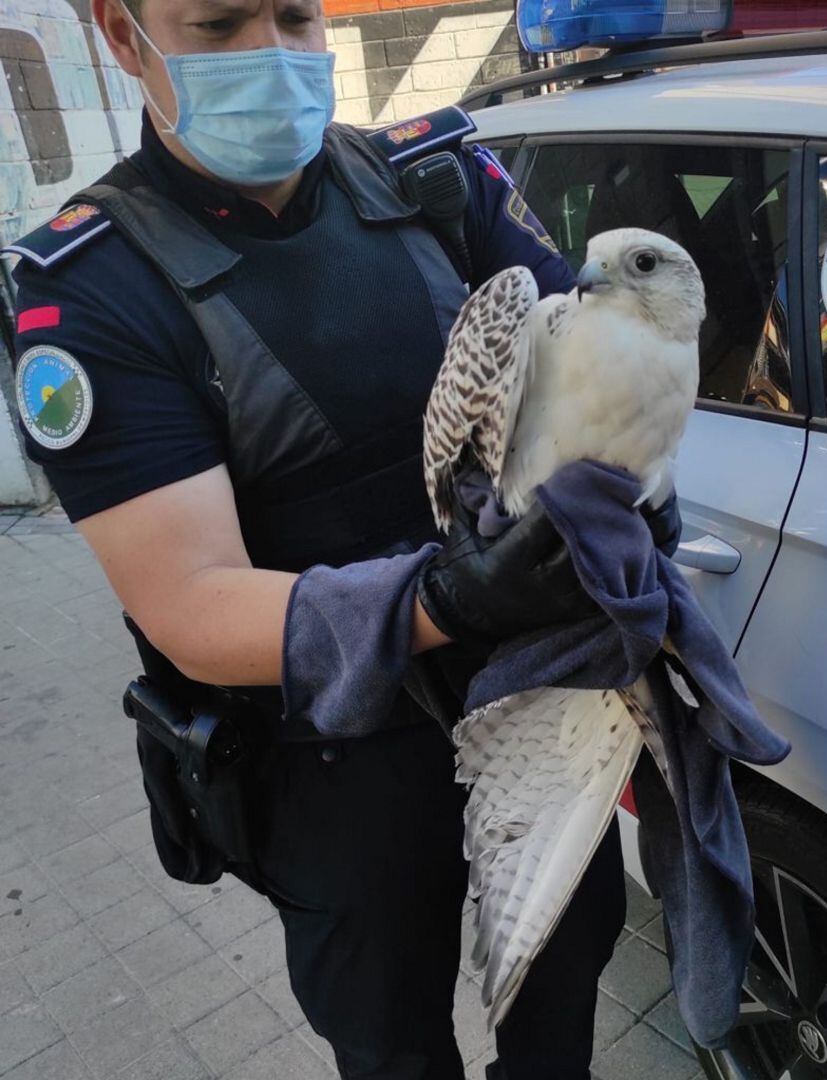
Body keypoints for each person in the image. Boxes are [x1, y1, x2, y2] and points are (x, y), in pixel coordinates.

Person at [4, 2, 690, 1077]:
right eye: (221, 24)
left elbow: (592, 365)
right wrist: (447, 603)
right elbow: (189, 604)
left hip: (537, 704)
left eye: (294, 15)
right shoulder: (94, 288)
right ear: (122, 37)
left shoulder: (439, 179)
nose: (272, 55)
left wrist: (631, 494)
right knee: (391, 1045)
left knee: (559, 1005)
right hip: (332, 763)